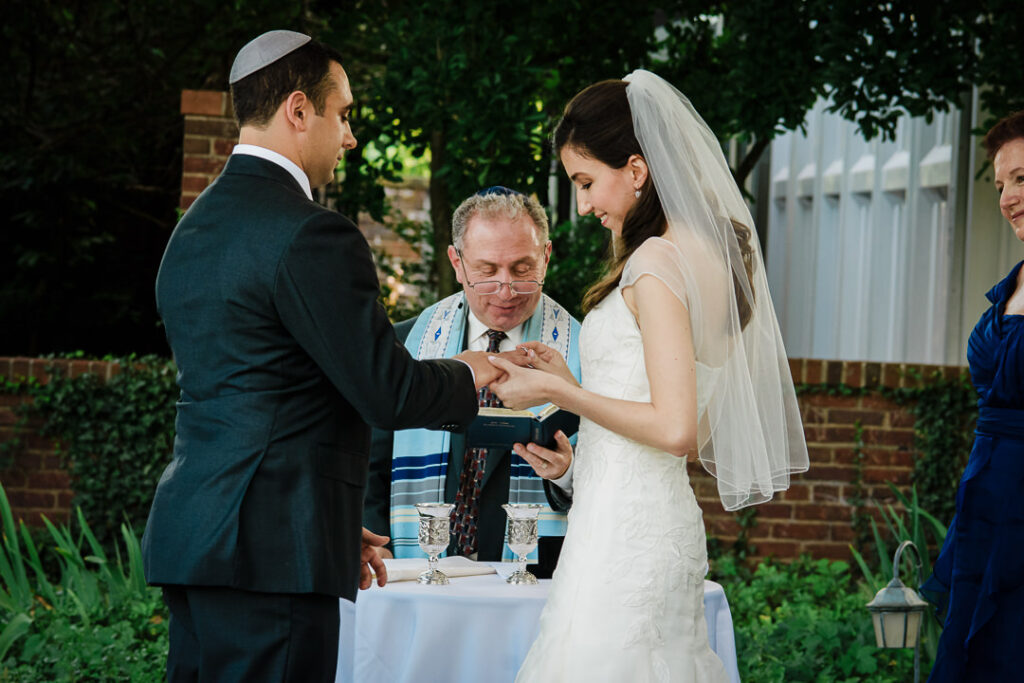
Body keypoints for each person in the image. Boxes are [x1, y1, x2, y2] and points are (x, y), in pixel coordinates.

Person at [141, 30, 502, 683]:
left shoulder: (189, 233)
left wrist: (330, 524)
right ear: (299, 110)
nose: (350, 136)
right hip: (271, 558)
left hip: (197, 539)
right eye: (344, 114)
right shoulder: (313, 235)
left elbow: (267, 394)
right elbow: (386, 391)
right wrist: (471, 372)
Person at [486, 70, 808, 681]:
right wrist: (578, 423)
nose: (582, 205)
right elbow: (697, 414)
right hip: (640, 520)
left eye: (586, 182)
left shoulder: (657, 262)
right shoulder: (702, 259)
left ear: (636, 171)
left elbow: (676, 428)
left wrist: (559, 390)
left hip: (625, 547)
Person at [363, 187, 582, 567]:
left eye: (522, 268)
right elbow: (371, 464)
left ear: (545, 258)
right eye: (486, 270)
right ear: (457, 262)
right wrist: (374, 539)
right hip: (418, 566)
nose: (506, 289)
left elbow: (617, 478)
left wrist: (567, 473)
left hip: (538, 572)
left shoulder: (584, 352)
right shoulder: (405, 344)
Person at [921, 111, 1024, 682]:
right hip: (984, 503)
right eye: (1001, 184)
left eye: (1022, 179)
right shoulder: (1011, 282)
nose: (1008, 197)